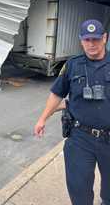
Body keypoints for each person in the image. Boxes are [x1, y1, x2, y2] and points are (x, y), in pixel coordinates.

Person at [34, 19, 110, 205]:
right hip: (80, 138)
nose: (91, 44)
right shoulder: (72, 65)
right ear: (81, 40)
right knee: (79, 190)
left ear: (105, 38)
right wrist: (42, 118)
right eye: (87, 39)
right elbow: (56, 94)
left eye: (96, 39)